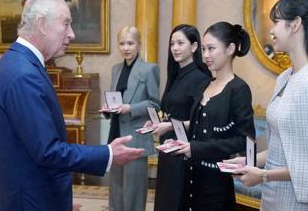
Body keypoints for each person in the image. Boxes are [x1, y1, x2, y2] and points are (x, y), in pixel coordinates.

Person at [0, 0, 144, 211]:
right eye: (66, 23)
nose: (72, 33)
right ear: (42, 24)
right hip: (31, 200)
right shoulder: (24, 73)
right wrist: (107, 153)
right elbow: (48, 151)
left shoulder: (14, 63)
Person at [227, 0, 308, 211]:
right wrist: (250, 162)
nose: (271, 30)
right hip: (275, 193)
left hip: (296, 200)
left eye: (276, 22)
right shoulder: (286, 77)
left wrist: (264, 176)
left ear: (295, 24)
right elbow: (282, 149)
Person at [175, 21, 256, 211]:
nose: (205, 55)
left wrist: (196, 148)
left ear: (230, 49)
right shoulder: (203, 85)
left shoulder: (238, 89)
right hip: (191, 177)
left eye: (211, 48)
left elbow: (246, 140)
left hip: (216, 182)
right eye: (203, 49)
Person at [151, 24, 212, 211]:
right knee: (165, 199)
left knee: (178, 201)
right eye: (172, 44)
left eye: (180, 43)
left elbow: (201, 120)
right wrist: (159, 123)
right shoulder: (176, 74)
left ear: (194, 47)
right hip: (168, 146)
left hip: (185, 150)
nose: (175, 48)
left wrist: (169, 126)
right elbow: (170, 110)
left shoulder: (201, 78)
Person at [106, 26, 160, 211]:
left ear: (139, 45)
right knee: (116, 190)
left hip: (136, 137)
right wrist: (107, 109)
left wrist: (130, 108)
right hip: (115, 135)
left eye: (130, 43)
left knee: (133, 193)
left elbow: (154, 104)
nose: (126, 48)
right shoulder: (115, 69)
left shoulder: (149, 69)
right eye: (122, 43)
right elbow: (114, 99)